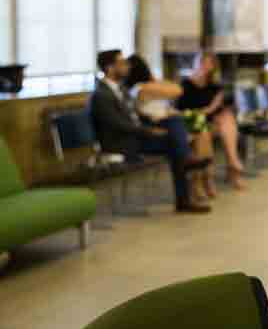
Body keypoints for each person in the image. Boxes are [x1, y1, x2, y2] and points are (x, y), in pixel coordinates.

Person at [88, 50, 210, 213]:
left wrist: (152, 120)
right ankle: (184, 191)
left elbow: (133, 115)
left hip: (133, 136)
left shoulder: (120, 88)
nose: (126, 67)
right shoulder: (101, 95)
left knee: (173, 123)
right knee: (174, 144)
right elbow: (118, 125)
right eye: (122, 63)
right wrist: (149, 131)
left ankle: (184, 189)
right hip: (119, 142)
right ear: (110, 68)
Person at [124, 54, 216, 204]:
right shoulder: (139, 88)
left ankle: (202, 180)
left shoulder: (148, 85)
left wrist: (157, 82)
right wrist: (158, 82)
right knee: (185, 125)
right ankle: (194, 174)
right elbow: (177, 90)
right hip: (158, 124)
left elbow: (175, 89)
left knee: (202, 133)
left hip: (168, 119)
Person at [177, 52, 247, 191]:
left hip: (212, 121)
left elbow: (220, 107)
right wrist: (208, 110)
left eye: (210, 64)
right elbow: (184, 110)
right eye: (203, 63)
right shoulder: (185, 84)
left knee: (226, 117)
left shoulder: (214, 85)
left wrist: (214, 109)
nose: (206, 67)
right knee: (208, 131)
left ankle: (233, 162)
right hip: (194, 122)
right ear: (197, 64)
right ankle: (224, 172)